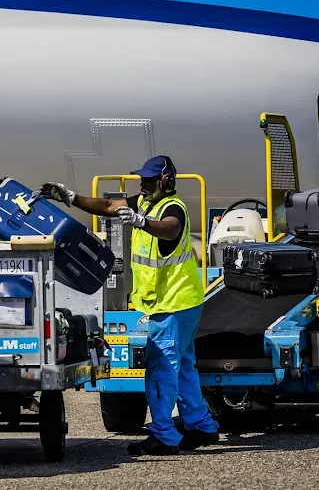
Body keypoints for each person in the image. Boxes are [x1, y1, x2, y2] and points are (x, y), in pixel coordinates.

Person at [40, 155, 219, 455]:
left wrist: (141, 222)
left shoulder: (172, 208)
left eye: (148, 180)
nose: (142, 184)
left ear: (166, 182)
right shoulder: (145, 201)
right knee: (184, 365)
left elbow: (170, 229)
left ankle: (164, 434)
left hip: (174, 303)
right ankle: (201, 426)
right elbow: (110, 206)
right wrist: (71, 197)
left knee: (161, 367)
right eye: (142, 180)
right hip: (179, 302)